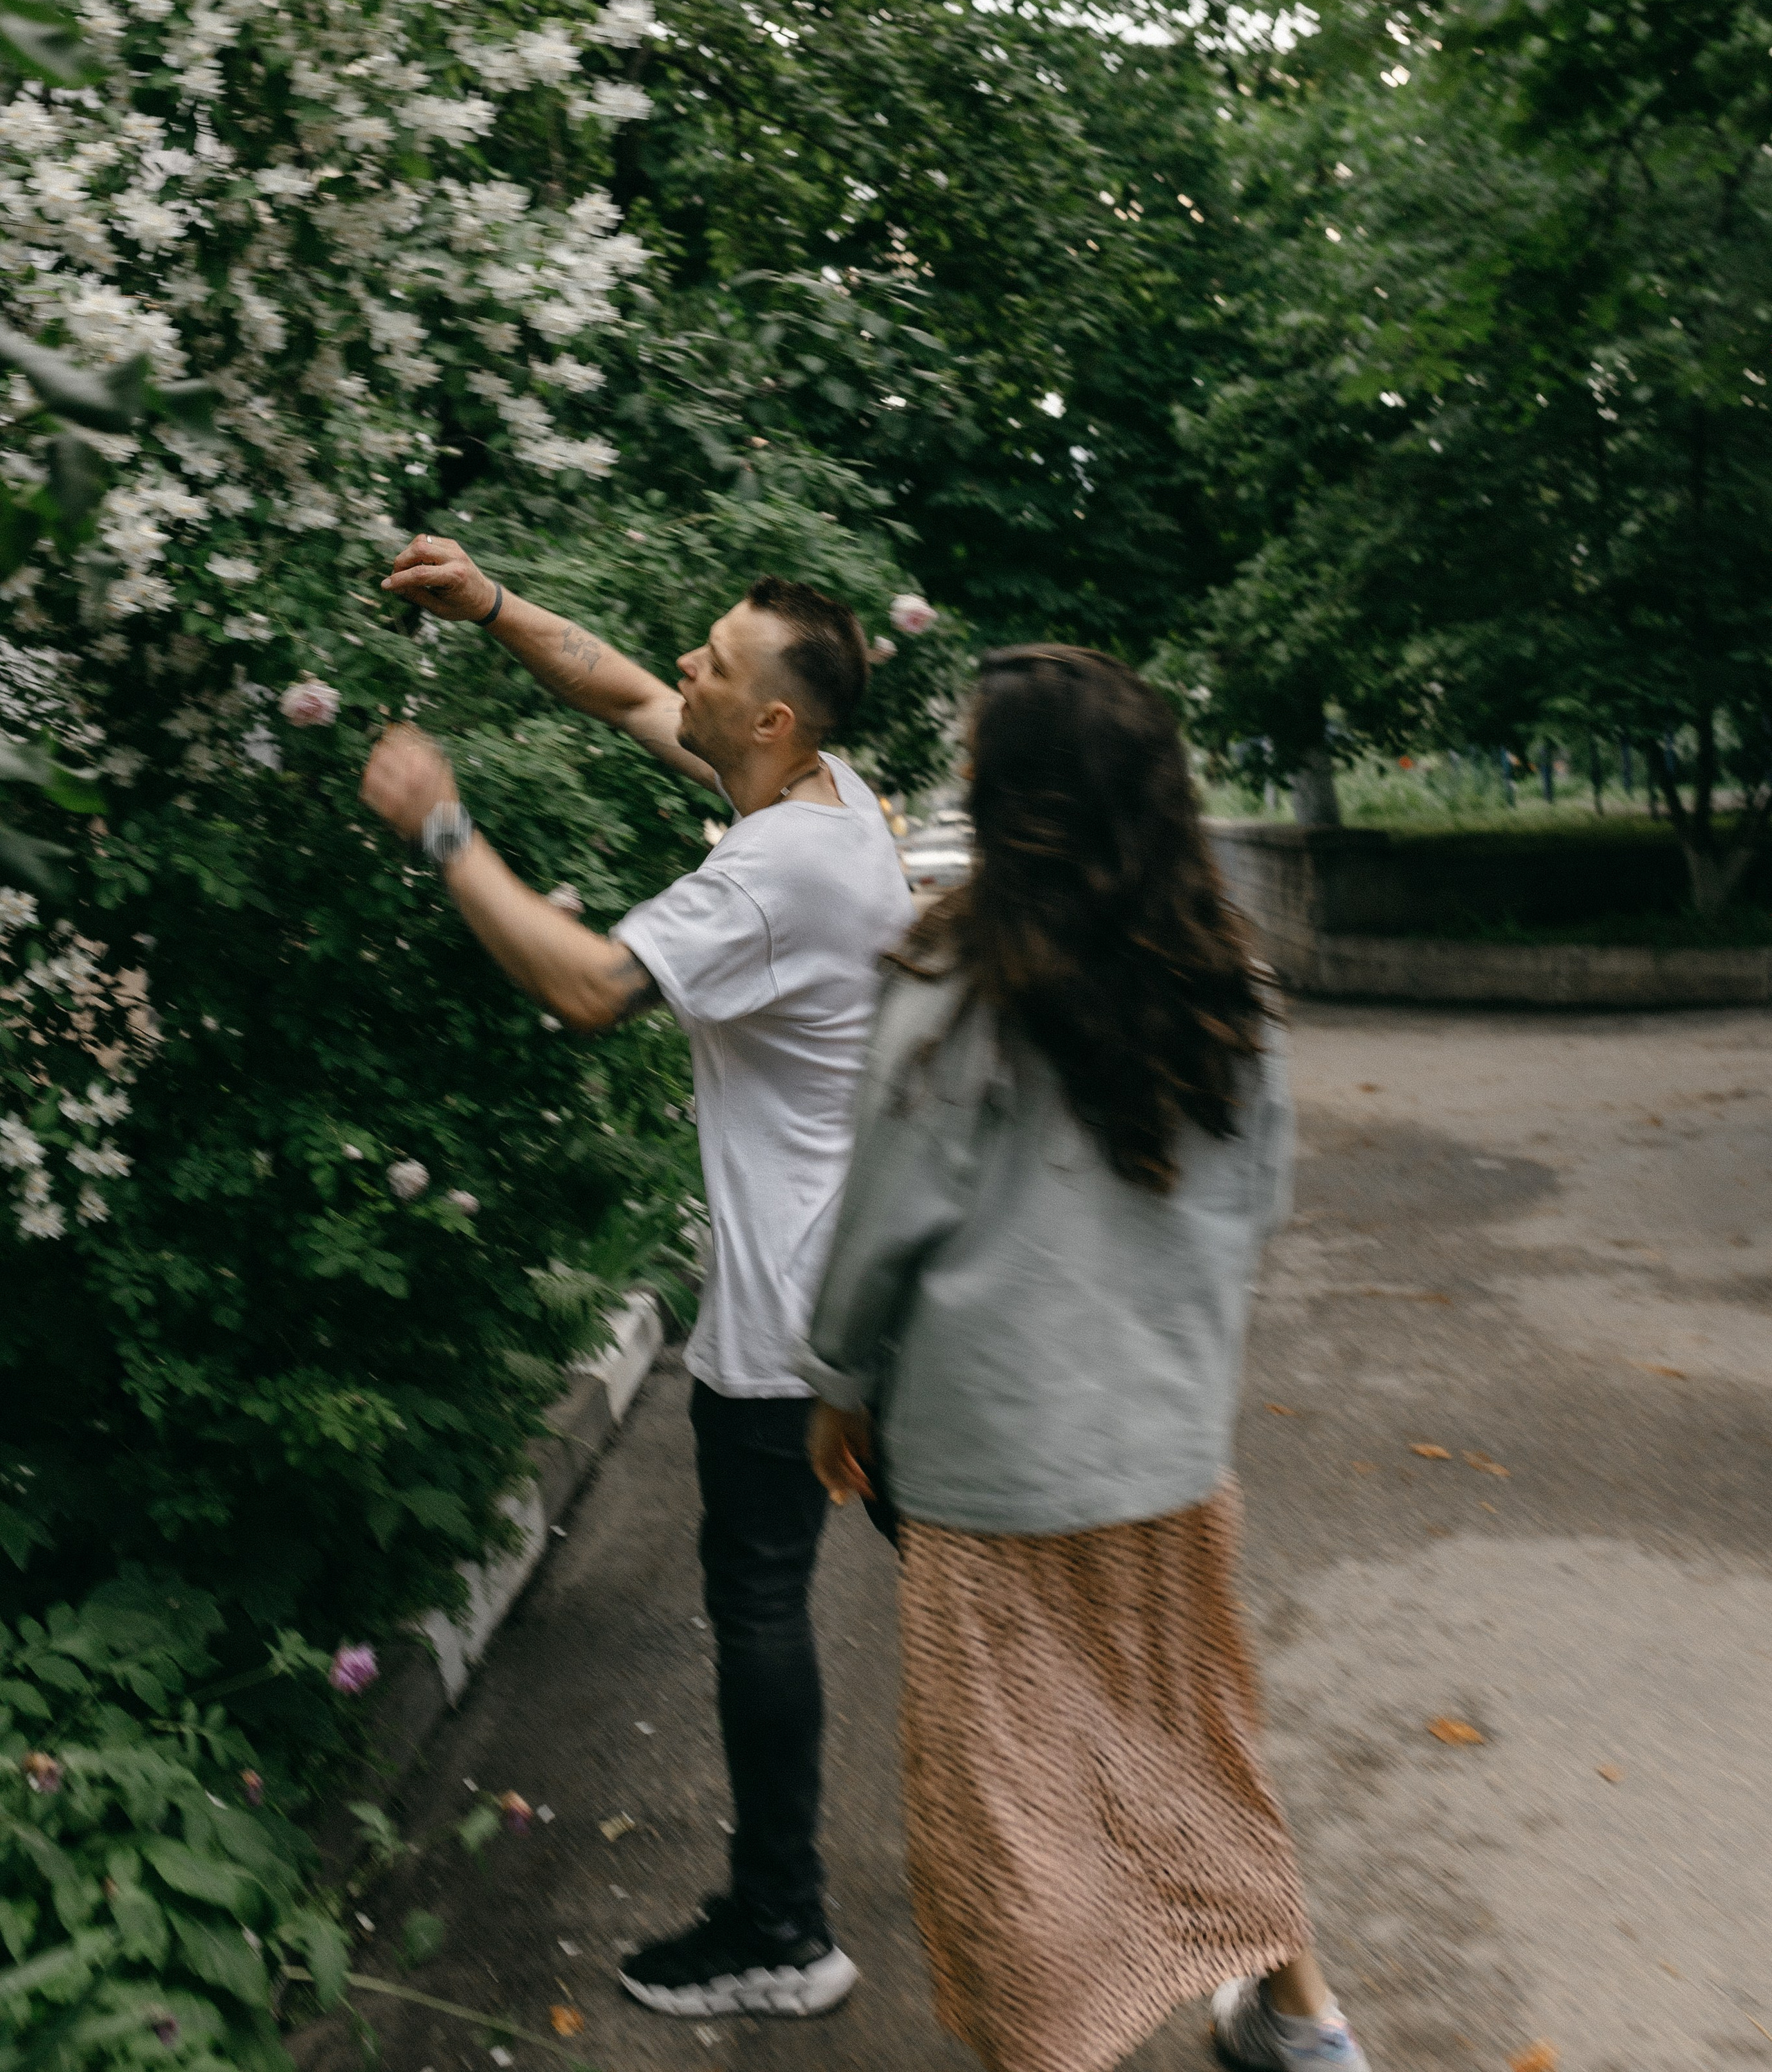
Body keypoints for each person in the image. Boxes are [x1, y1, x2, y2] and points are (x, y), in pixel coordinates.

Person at [359, 534, 914, 2021]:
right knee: (992, 1599)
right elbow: (617, 690)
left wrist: (444, 830)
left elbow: (587, 986)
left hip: (790, 1325)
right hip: (871, 1291)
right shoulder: (828, 792)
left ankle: (786, 1927)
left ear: (772, 721)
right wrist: (486, 604)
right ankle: (1155, 1868)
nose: (685, 667)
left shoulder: (778, 872)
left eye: (714, 667)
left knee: (758, 1603)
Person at [798, 646, 1372, 2072]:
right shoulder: (1222, 979)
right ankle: (1303, 2025)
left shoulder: (951, 978)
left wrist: (837, 1383)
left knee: (1015, 1798)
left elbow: (882, 1216)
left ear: (1018, 797)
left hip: (994, 1468)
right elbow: (1255, 1206)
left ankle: (1051, 2051)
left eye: (974, 756)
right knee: (1193, 1735)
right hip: (1168, 1451)